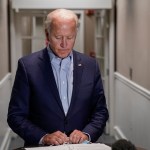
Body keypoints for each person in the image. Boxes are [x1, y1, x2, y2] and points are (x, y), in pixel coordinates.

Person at [7, 9, 109, 147]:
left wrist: (87, 133)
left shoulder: (91, 65)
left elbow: (100, 111)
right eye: (58, 37)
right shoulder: (27, 66)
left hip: (82, 147)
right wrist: (43, 137)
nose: (64, 44)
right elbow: (15, 116)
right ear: (47, 34)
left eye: (70, 37)